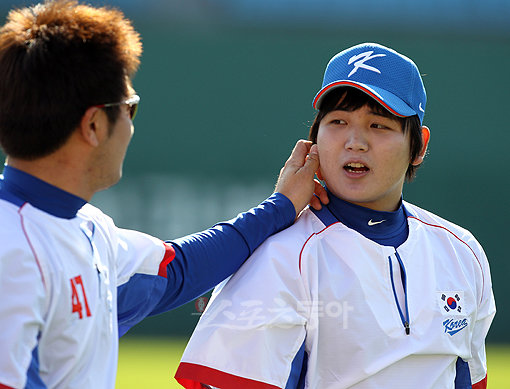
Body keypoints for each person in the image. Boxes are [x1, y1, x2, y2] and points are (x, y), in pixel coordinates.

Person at [0, 1, 328, 388]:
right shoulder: (12, 248)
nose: (131, 125)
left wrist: (282, 206)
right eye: (129, 108)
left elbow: (178, 269)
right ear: (92, 124)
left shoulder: (84, 226)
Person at [175, 43, 496, 389]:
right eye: (338, 122)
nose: (355, 141)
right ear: (313, 140)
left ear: (418, 145)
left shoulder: (462, 252)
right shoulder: (281, 257)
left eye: (379, 125)